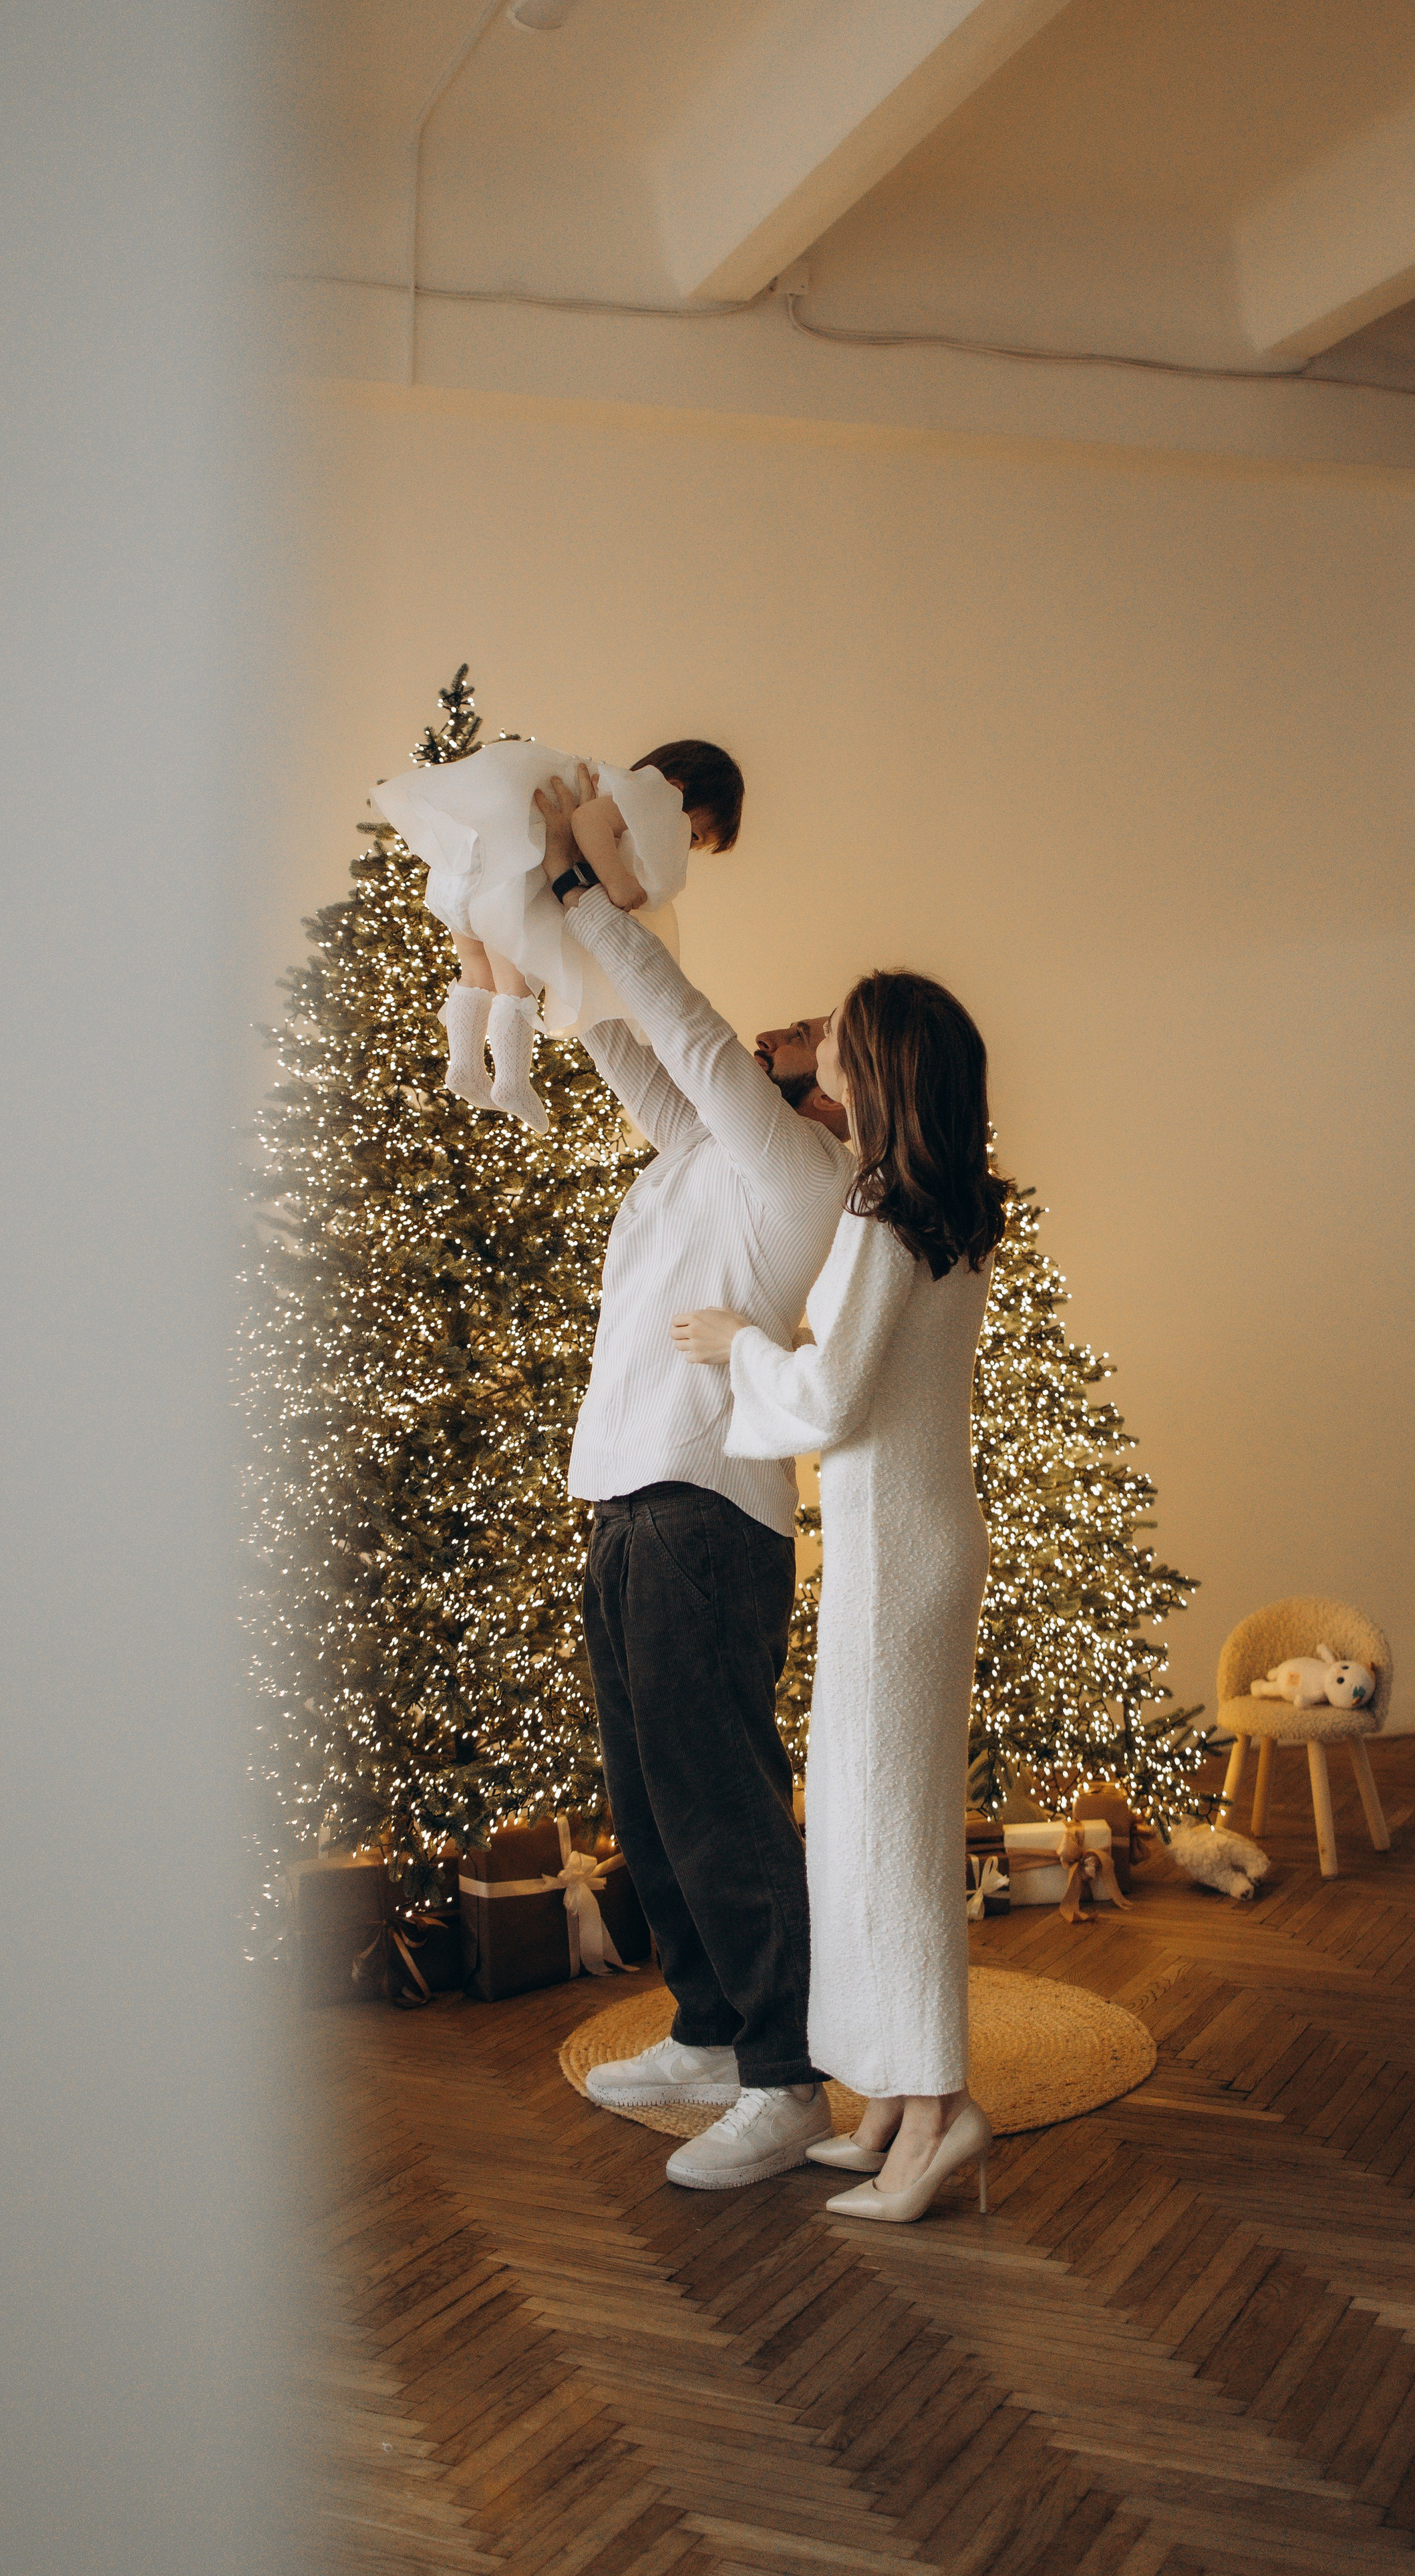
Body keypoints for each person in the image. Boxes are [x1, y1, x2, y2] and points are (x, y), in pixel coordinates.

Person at [535, 767, 852, 2191]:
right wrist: (540, 919)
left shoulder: (796, 1170)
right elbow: (620, 1037)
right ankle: (713, 2030)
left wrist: (581, 885)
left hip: (708, 1513)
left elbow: (678, 1019)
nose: (787, 1026)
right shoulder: (694, 1159)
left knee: (716, 1791)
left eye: (818, 1032)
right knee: (649, 1792)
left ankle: (784, 2075)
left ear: (837, 1091)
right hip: (626, 1496)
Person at [671, 971, 1009, 2223]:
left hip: (899, 1554)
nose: (827, 1063)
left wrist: (736, 1345)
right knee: (872, 1828)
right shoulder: (949, 1208)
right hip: (913, 1541)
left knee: (885, 1841)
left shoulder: (881, 1216)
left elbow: (829, 1401)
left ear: (882, 1070)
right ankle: (892, 2101)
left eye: (844, 1049)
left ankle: (936, 2111)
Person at [371, 736, 742, 1130]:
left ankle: (464, 1066)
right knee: (515, 982)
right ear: (679, 789)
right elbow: (587, 822)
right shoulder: (649, 796)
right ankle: (511, 1081)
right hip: (508, 873)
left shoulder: (610, 784)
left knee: (475, 970)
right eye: (694, 836)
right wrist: (617, 882)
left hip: (459, 872)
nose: (683, 846)